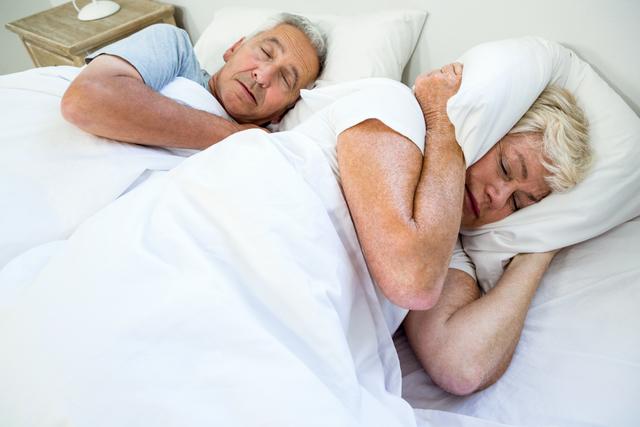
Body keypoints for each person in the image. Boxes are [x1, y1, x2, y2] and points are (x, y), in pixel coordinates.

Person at [402, 76, 592, 396]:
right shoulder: (404, 130)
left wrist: (540, 250)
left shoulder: (452, 247)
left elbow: (462, 366)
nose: (498, 197)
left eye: (518, 203)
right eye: (505, 167)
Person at [61, 14, 327, 150]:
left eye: (285, 79)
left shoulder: (269, 150)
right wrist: (234, 136)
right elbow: (85, 99)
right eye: (266, 52)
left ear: (282, 113)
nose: (264, 75)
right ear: (233, 48)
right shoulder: (175, 48)